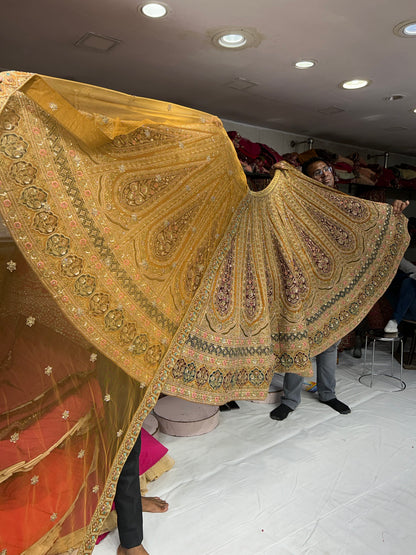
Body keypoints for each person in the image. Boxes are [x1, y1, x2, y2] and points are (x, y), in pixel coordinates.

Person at [270, 157, 409, 421]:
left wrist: (393, 211)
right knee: (300, 341)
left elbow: (369, 221)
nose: (324, 175)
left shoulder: (347, 204)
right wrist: (280, 176)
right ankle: (290, 400)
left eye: (326, 170)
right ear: (308, 180)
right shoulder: (303, 203)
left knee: (330, 342)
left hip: (336, 283)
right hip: (307, 283)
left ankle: (328, 394)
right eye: (316, 173)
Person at [384, 257, 416, 334]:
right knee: (390, 279)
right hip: (406, 311)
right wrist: (395, 252)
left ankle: (394, 320)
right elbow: (406, 266)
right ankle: (394, 321)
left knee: (408, 282)